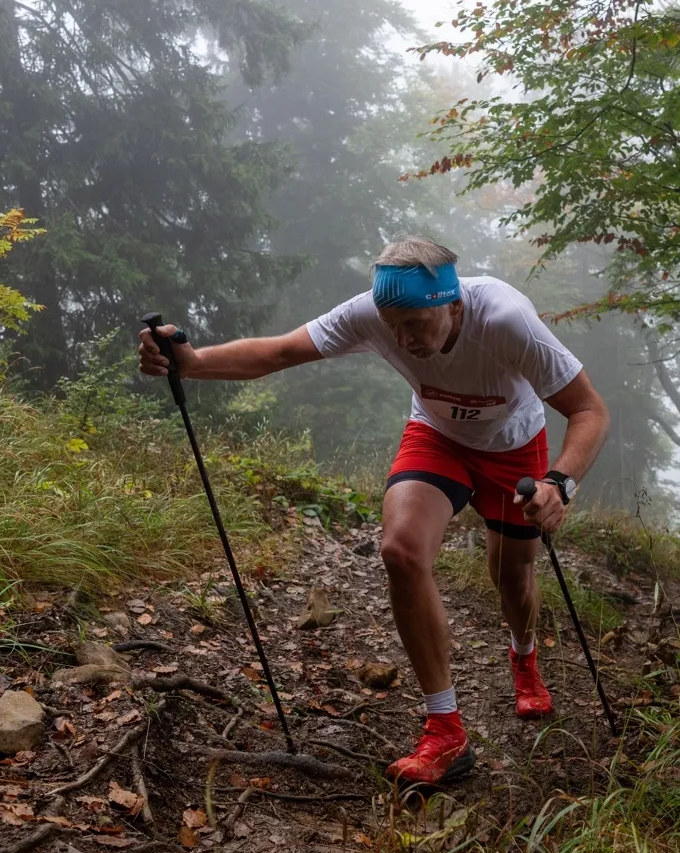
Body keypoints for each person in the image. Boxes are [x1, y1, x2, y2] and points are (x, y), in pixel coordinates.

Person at [137, 236, 609, 784]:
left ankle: (523, 656)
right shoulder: (373, 313)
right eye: (392, 326)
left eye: (415, 324)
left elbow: (589, 410)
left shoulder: (506, 320)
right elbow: (282, 352)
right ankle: (445, 731)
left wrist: (559, 483)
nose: (402, 339)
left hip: (514, 447)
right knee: (401, 550)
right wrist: (193, 363)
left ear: (454, 306)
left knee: (513, 579)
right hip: (437, 437)